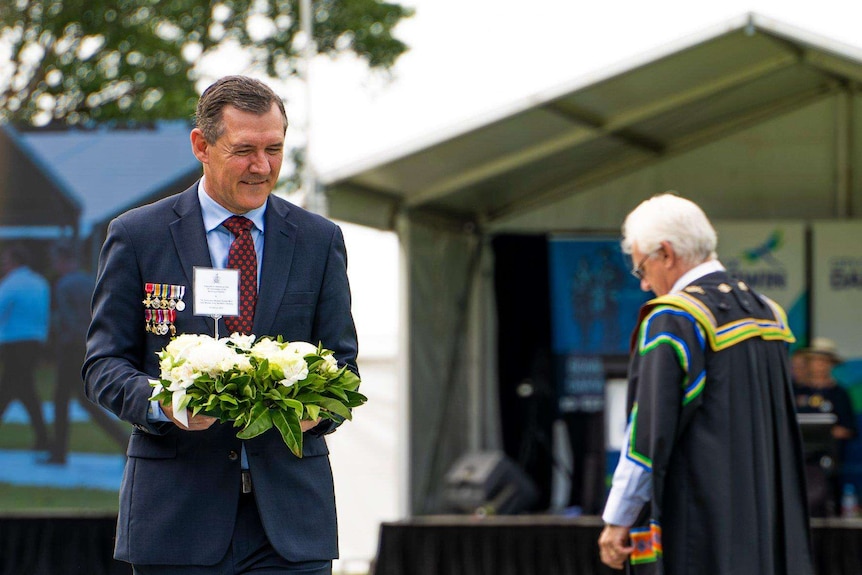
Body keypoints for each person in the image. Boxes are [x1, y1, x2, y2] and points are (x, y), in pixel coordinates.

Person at [83, 76, 358, 575]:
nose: (263, 166)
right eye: (244, 150)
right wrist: (164, 404)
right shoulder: (137, 235)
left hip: (291, 523)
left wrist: (321, 411)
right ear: (201, 146)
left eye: (274, 149)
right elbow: (103, 364)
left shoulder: (319, 240)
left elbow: (343, 362)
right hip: (176, 519)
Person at [597, 193, 813, 574]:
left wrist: (618, 517)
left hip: (701, 528)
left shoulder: (674, 320)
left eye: (641, 269)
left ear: (666, 253)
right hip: (764, 522)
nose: (645, 284)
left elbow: (648, 435)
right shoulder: (767, 312)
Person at [44, 243, 128, 465]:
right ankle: (123, 441)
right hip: (90, 345)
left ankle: (59, 453)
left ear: (63, 260)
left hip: (71, 347)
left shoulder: (64, 285)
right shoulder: (90, 281)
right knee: (85, 401)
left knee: (62, 400)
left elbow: (66, 320)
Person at [793, 337, 857, 516]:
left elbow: (848, 429)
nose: (819, 365)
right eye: (815, 360)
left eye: (823, 361)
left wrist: (822, 432)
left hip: (828, 459)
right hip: (799, 457)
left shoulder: (839, 394)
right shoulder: (796, 391)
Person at [0, 244, 51, 451]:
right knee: (23, 389)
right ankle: (43, 439)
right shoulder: (40, 282)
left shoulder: (11, 283)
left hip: (13, 341)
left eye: (5, 261)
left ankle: (43, 439)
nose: (3, 265)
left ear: (14, 262)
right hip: (35, 341)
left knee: (12, 387)